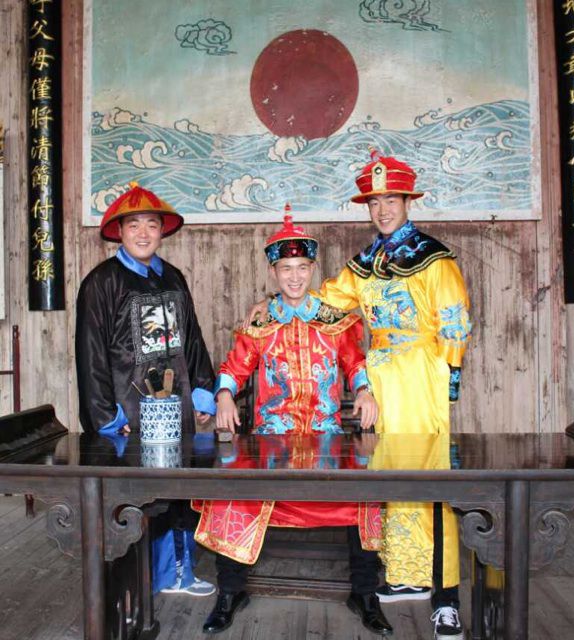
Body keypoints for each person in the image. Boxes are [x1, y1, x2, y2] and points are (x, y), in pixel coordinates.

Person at [248, 152, 472, 640]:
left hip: (420, 374)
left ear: (407, 201)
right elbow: (325, 299)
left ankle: (446, 595)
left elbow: (455, 320)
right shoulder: (367, 262)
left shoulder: (434, 258)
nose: (383, 209)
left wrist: (449, 378)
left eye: (391, 200)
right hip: (379, 377)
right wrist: (273, 304)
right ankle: (406, 572)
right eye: (374, 202)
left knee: (430, 476)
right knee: (386, 475)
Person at [194, 213, 392, 636]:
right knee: (230, 489)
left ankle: (365, 593)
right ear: (274, 272)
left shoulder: (335, 320)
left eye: (302, 267)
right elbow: (233, 368)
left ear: (313, 268)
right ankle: (230, 591)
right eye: (286, 268)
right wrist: (224, 395)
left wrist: (364, 391)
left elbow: (355, 364)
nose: (295, 277)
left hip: (326, 440)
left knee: (367, 493)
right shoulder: (261, 323)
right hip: (272, 443)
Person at [75, 181, 216, 596]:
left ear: (161, 230)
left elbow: (192, 338)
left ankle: (180, 572)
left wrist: (202, 390)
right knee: (138, 497)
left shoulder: (173, 277)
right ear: (119, 231)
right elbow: (90, 353)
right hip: (130, 413)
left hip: (175, 407)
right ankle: (142, 581)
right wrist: (105, 416)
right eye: (133, 224)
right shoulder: (101, 282)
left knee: (180, 488)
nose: (142, 233)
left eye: (151, 224)